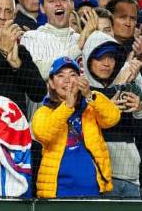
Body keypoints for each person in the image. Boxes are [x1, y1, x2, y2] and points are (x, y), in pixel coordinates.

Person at [31, 56, 120, 198]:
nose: (67, 80)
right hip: (57, 191)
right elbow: (43, 133)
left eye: (73, 75)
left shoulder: (90, 106)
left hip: (93, 189)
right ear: (51, 83)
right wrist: (67, 107)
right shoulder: (44, 112)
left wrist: (89, 95)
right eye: (60, 76)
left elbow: (112, 118)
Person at [80, 31, 142, 198]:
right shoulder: (81, 93)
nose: (107, 63)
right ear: (88, 59)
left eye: (111, 58)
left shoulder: (128, 88)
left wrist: (140, 109)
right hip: (98, 176)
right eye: (100, 58)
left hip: (131, 176)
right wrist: (106, 107)